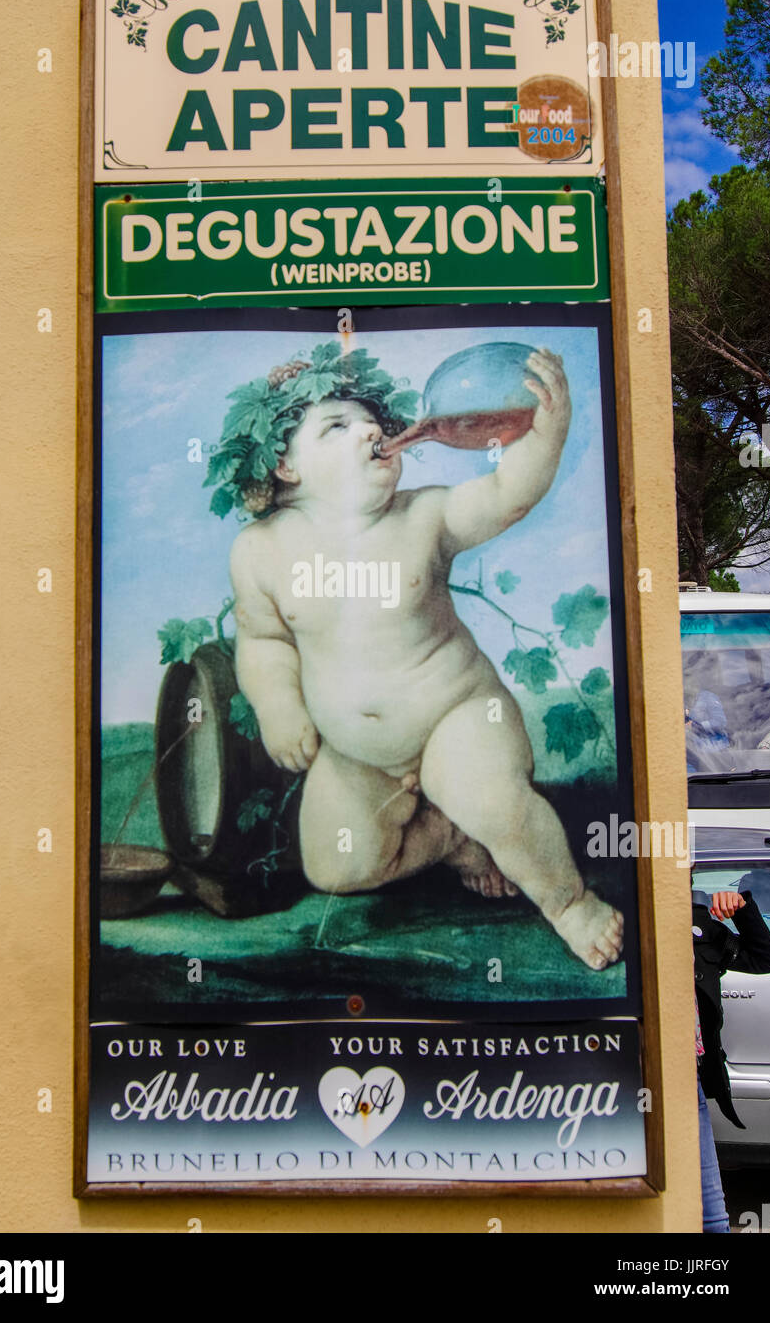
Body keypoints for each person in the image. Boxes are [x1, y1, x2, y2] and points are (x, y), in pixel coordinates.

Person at [226, 344, 623, 971]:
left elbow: (507, 492)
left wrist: (548, 432)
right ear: (285, 465)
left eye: (373, 423)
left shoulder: (426, 516)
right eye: (337, 425)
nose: (370, 431)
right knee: (336, 864)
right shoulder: (259, 551)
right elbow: (263, 640)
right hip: (358, 756)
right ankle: (450, 838)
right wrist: (278, 705)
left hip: (457, 719)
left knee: (486, 796)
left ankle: (568, 900)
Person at [693, 888, 770, 1232]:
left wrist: (742, 909)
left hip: (689, 1077)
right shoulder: (630, 927)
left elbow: (766, 959)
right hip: (634, 1077)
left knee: (714, 1221)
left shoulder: (700, 927)